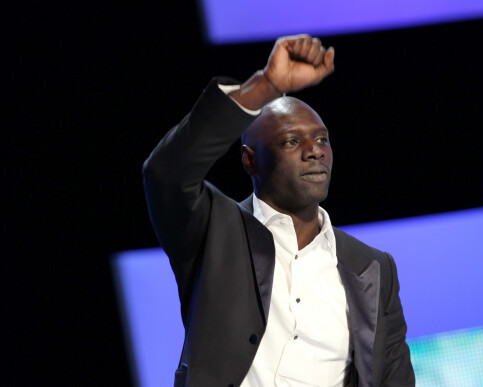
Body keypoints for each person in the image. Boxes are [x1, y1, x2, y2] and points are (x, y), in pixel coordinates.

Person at [143, 34, 415, 387]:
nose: (314, 151)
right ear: (250, 160)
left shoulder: (374, 267)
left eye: (322, 139)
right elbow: (166, 173)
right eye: (291, 141)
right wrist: (266, 86)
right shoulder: (214, 231)